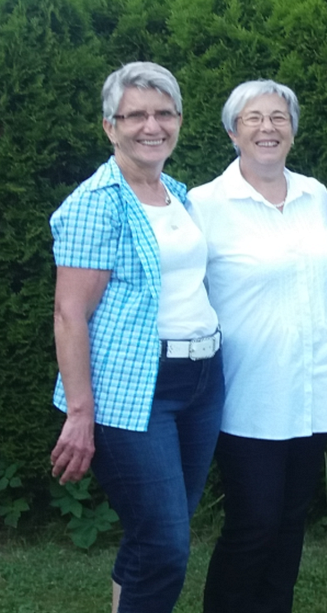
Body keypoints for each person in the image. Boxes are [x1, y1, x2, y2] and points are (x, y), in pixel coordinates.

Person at [48, 61, 223, 613]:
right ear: (110, 126)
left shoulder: (176, 193)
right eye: (136, 115)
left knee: (156, 535)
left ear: (179, 121)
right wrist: (81, 413)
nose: (152, 126)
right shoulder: (96, 203)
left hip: (201, 380)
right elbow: (69, 313)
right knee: (166, 546)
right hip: (134, 391)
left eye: (164, 113)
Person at [189, 80, 327, 613]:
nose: (267, 128)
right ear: (233, 133)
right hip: (248, 391)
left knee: (291, 520)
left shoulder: (315, 195)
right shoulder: (205, 203)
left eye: (279, 118)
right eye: (252, 118)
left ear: (293, 131)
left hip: (312, 385)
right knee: (253, 524)